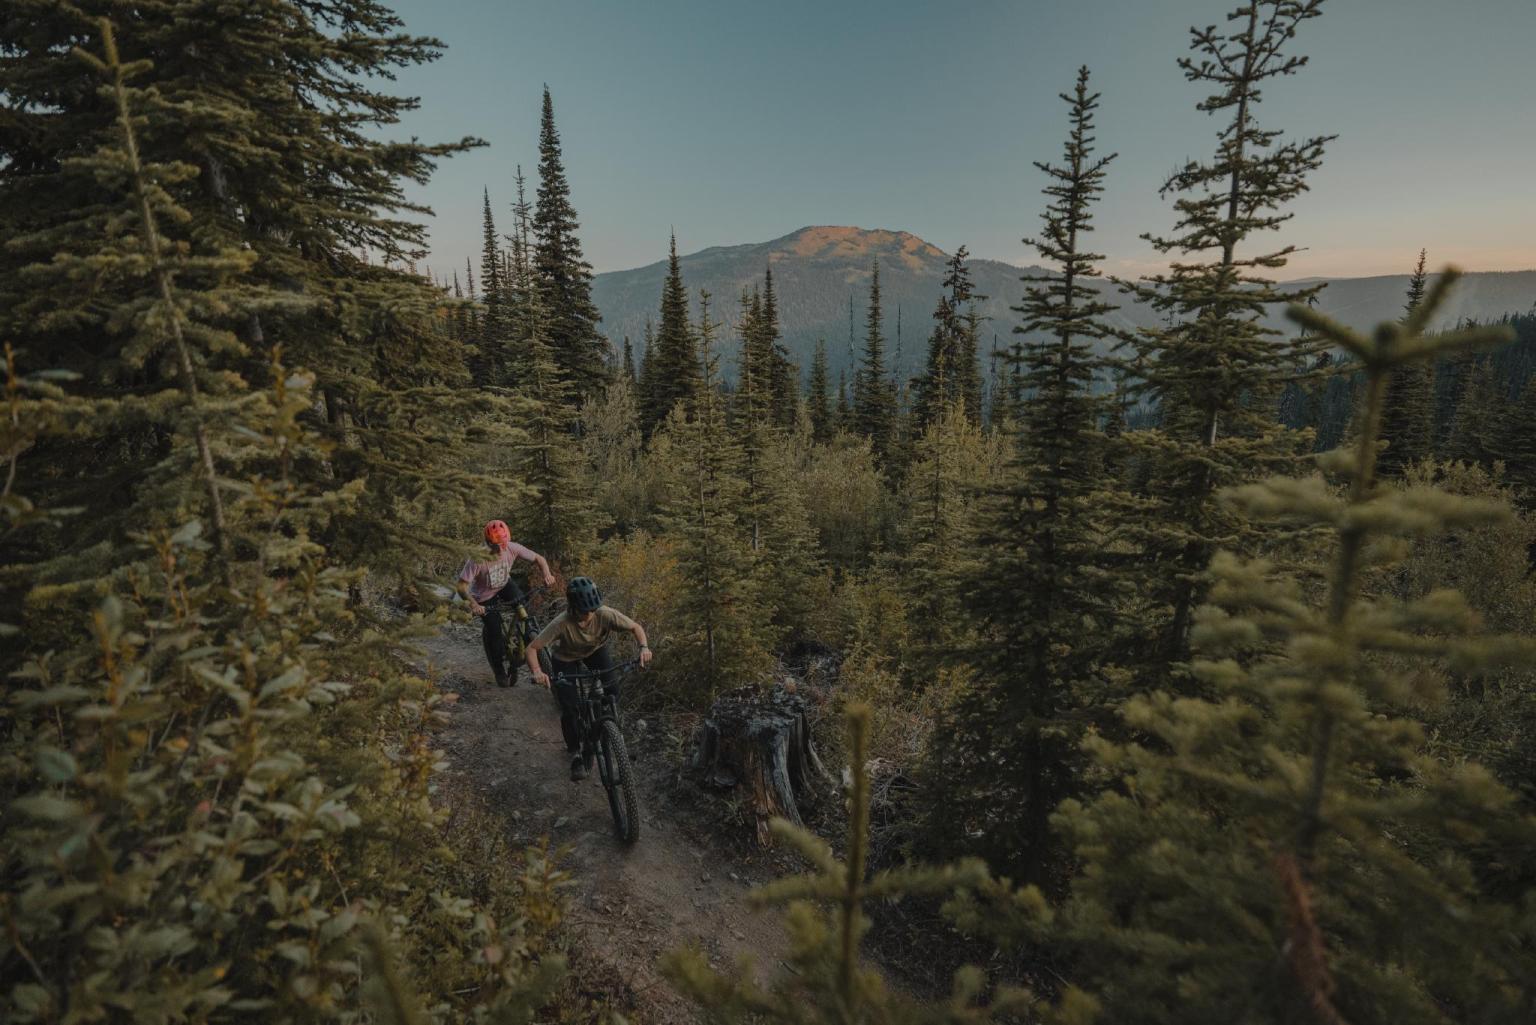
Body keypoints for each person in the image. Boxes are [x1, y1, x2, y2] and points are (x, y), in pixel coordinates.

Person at [526, 576, 652, 781]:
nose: (589, 615)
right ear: (573, 608)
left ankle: (605, 730)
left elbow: (635, 627)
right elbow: (532, 648)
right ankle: (576, 752)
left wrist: (644, 648)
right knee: (570, 707)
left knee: (612, 690)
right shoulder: (561, 623)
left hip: (595, 651)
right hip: (565, 658)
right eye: (584, 612)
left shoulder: (604, 614)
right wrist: (538, 671)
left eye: (592, 610)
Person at [456, 520, 556, 687]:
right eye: (497, 545)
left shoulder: (511, 547)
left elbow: (540, 559)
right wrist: (474, 604)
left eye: (503, 543)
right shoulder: (477, 558)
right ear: (488, 543)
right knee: (494, 633)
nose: (502, 548)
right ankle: (499, 670)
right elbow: (461, 586)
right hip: (483, 596)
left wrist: (547, 575)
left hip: (504, 584)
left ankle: (529, 645)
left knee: (524, 610)